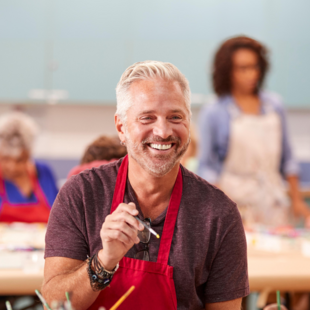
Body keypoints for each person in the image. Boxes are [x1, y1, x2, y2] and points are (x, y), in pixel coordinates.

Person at [42, 61, 249, 310]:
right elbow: (54, 304)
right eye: (147, 118)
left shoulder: (219, 214)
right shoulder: (81, 194)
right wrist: (105, 260)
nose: (162, 131)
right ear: (121, 127)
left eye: (175, 117)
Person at [198, 36, 310, 228]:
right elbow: (206, 168)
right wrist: (225, 208)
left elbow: (288, 159)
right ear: (227, 71)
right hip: (237, 208)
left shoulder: (275, 106)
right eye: (243, 68)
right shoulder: (214, 112)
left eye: (255, 67)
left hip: (274, 205)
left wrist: (297, 200)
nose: (252, 74)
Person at [0, 111, 58, 223]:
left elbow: (60, 217)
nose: (12, 167)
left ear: (29, 154)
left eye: (19, 160)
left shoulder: (43, 173)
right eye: (6, 159)